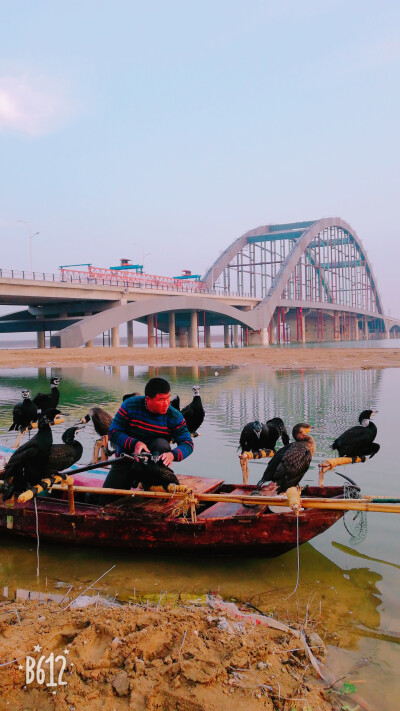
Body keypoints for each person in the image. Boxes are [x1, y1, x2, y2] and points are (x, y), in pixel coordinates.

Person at [100, 377, 193, 502]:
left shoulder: (174, 416)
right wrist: (135, 443)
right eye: (161, 400)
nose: (167, 403)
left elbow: (188, 444)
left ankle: (150, 482)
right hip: (127, 459)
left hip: (154, 465)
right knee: (105, 500)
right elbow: (113, 432)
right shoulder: (130, 405)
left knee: (161, 444)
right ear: (148, 399)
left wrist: (172, 455)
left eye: (168, 398)